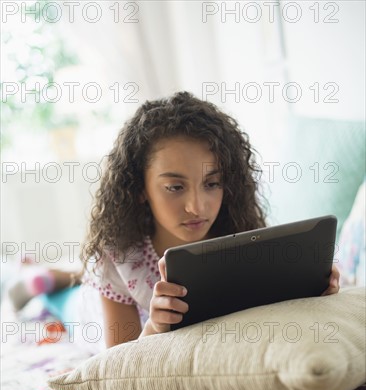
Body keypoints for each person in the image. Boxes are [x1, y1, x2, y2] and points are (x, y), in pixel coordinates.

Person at [8, 91, 340, 351]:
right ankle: (38, 276)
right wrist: (154, 327)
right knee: (67, 300)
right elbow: (121, 366)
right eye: (175, 187)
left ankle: (66, 273)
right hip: (94, 316)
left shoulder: (239, 231)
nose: (197, 206)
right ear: (139, 189)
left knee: (83, 273)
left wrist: (312, 290)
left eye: (212, 183)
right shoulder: (116, 255)